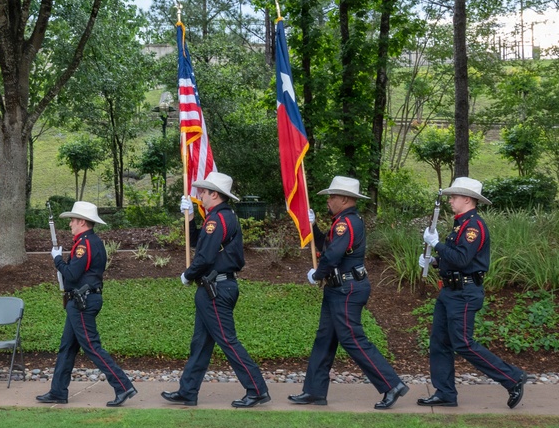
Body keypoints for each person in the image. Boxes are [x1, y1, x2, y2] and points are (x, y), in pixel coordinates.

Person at [289, 176, 409, 410]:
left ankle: (391, 384)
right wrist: (313, 227)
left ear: (344, 199)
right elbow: (328, 245)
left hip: (347, 288)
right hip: (339, 288)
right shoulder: (342, 222)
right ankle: (314, 391)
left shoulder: (347, 223)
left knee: (352, 339)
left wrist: (316, 275)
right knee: (325, 338)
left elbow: (332, 256)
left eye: (332, 196)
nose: (329, 200)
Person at [418, 177, 527, 409]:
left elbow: (462, 258)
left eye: (454, 196)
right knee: (439, 342)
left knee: (463, 343)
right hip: (450, 291)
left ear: (467, 199)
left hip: (465, 292)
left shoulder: (473, 226)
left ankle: (512, 377)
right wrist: (435, 261)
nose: (450, 200)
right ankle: (445, 392)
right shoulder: (460, 224)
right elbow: (455, 258)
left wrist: (436, 244)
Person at [163, 173, 270, 408]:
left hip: (216, 288)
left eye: (204, 191)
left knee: (228, 341)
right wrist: (190, 217)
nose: (200, 195)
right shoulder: (219, 217)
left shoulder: (218, 219)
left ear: (215, 194)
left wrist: (188, 274)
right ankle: (188, 391)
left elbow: (205, 255)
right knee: (200, 343)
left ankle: (257, 389)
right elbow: (199, 242)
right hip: (213, 287)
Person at [37, 201, 137, 407]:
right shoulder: (93, 241)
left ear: (82, 222)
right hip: (82, 299)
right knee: (67, 347)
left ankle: (123, 385)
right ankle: (58, 391)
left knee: (92, 346)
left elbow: (72, 274)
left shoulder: (83, 244)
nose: (70, 224)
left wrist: (57, 260)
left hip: (82, 301)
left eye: (73, 220)